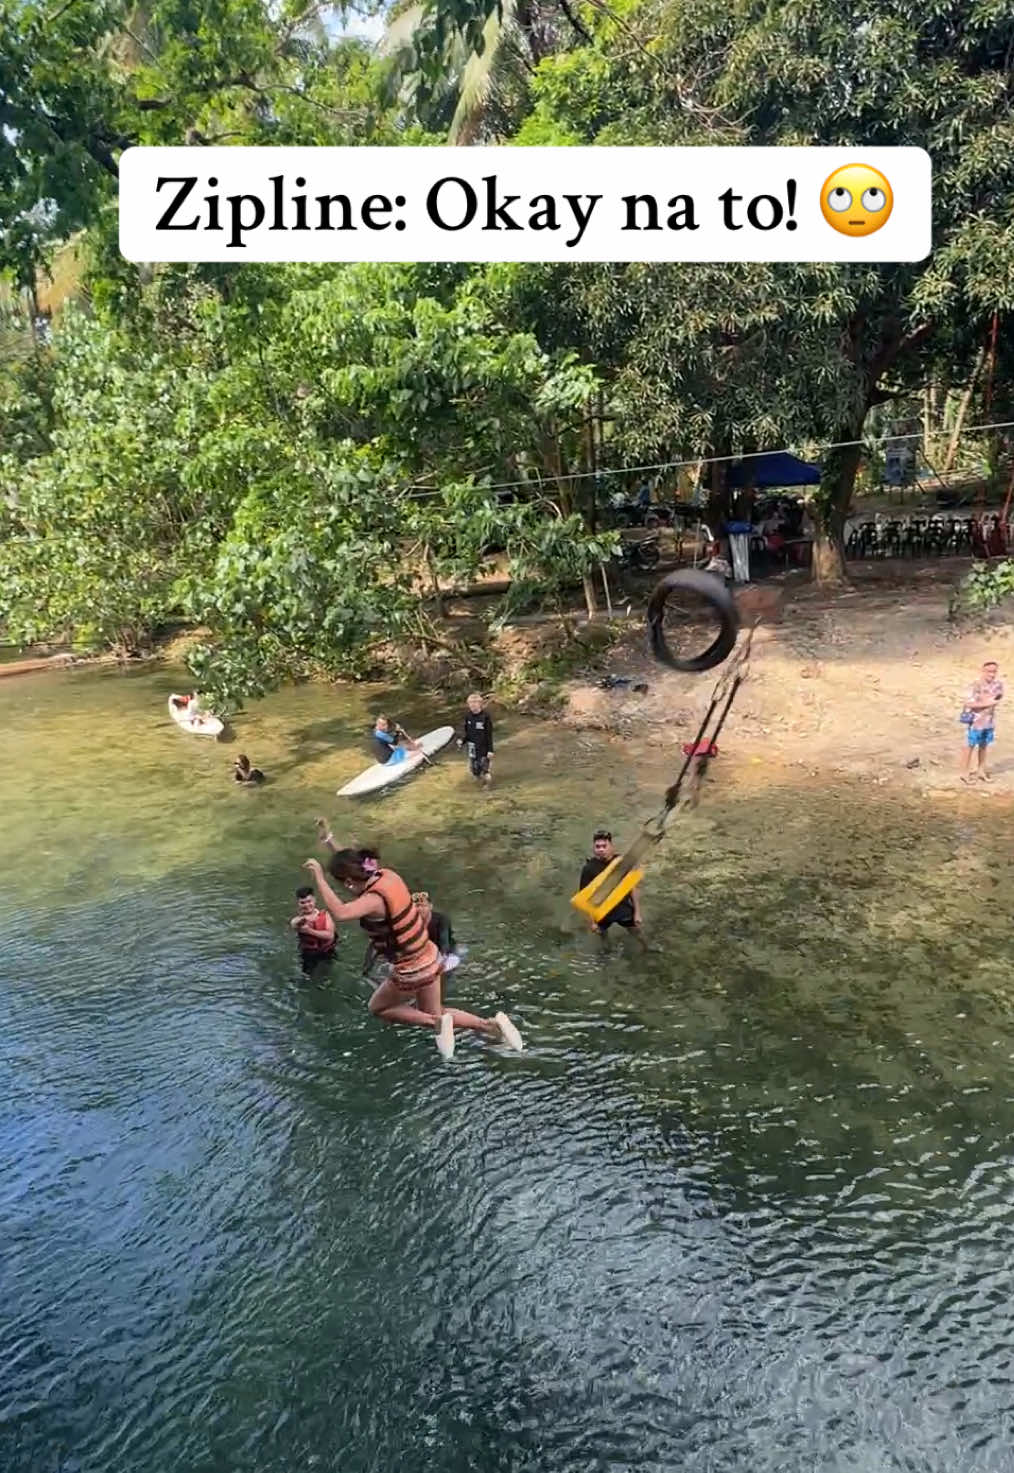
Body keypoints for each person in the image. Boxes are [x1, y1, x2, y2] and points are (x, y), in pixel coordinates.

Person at [302, 850, 522, 1059]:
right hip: (430, 955)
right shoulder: (388, 876)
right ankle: (490, 1026)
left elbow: (341, 912)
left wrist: (319, 877)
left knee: (378, 1008)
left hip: (412, 968)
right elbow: (352, 862)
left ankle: (436, 1023)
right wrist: (332, 845)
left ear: (349, 881)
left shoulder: (373, 900)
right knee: (437, 1011)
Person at [578, 829, 647, 951]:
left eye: (604, 846)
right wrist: (591, 922)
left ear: (611, 847)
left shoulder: (621, 863)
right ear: (594, 849)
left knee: (636, 932)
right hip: (602, 912)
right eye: (597, 847)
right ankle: (606, 951)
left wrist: (637, 913)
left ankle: (646, 948)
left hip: (623, 908)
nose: (601, 849)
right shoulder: (589, 869)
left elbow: (632, 888)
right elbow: (584, 898)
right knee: (603, 936)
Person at [961, 659, 1004, 782]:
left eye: (994, 672)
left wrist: (990, 702)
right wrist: (987, 703)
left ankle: (981, 771)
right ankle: (965, 773)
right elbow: (968, 703)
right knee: (970, 746)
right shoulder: (975, 685)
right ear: (983, 671)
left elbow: (998, 697)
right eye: (989, 671)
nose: (992, 674)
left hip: (989, 721)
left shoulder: (997, 685)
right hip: (975, 721)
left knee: (984, 746)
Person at [290, 885, 337, 975]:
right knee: (307, 974)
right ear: (298, 903)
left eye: (309, 901)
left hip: (328, 950)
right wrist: (302, 922)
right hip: (309, 953)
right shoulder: (298, 920)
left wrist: (309, 931)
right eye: (303, 903)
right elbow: (294, 924)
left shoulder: (325, 915)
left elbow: (330, 935)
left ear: (314, 900)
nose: (307, 905)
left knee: (329, 971)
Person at [413, 891, 461, 974]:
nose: (420, 909)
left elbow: (444, 943)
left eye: (423, 905)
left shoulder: (442, 919)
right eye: (417, 906)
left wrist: (441, 960)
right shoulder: (410, 922)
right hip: (424, 953)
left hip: (446, 952)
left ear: (430, 906)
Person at [456, 692, 494, 785]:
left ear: (480, 704)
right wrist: (462, 741)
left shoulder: (485, 717)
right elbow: (467, 733)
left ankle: (487, 787)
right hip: (472, 747)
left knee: (485, 770)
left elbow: (489, 734)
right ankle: (478, 784)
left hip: (484, 747)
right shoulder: (468, 716)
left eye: (474, 703)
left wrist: (490, 750)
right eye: (470, 704)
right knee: (474, 770)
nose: (472, 705)